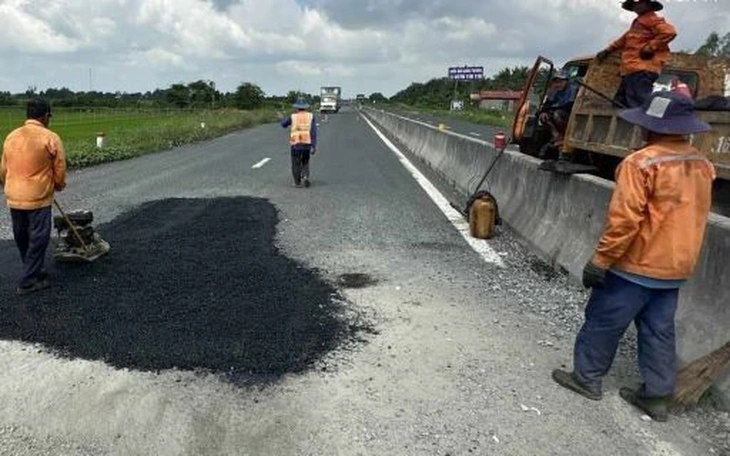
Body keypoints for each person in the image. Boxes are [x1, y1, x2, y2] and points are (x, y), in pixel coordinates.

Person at [552, 91, 715, 422]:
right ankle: (656, 396)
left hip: (635, 265)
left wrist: (601, 260)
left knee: (603, 322)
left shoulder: (641, 163)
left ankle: (586, 378)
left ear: (650, 126)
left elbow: (625, 221)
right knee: (659, 330)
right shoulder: (702, 164)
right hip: (676, 268)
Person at [0, 98, 66, 295]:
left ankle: (36, 270)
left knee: (22, 235)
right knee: (39, 237)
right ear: (45, 116)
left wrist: (7, 184)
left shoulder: (11, 137)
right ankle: (28, 281)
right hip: (38, 197)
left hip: (14, 196)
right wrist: (58, 184)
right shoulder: (50, 137)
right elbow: (60, 167)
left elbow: (3, 169)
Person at [596, 0, 676, 108]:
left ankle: (650, 122)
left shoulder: (651, 19)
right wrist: (608, 50)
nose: (636, 6)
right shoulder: (639, 23)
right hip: (632, 69)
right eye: (634, 4)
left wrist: (650, 47)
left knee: (639, 104)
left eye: (639, 3)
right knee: (620, 103)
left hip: (641, 69)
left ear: (648, 5)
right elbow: (625, 39)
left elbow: (669, 32)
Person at [538, 69, 579, 158]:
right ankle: (557, 136)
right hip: (555, 112)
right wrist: (544, 112)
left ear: (567, 81)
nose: (558, 84)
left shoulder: (573, 89)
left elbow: (568, 105)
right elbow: (547, 104)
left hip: (570, 116)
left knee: (557, 114)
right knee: (543, 117)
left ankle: (564, 136)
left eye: (561, 81)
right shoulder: (554, 90)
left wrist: (552, 109)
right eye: (556, 81)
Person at [280, 99, 317, 188]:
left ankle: (297, 183)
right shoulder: (311, 116)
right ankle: (305, 176)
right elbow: (313, 132)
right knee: (305, 161)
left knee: (296, 163)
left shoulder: (293, 116)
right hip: (307, 143)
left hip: (296, 143)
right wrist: (314, 145)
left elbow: (283, 125)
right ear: (306, 107)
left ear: (296, 107)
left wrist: (281, 117)